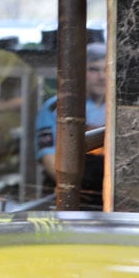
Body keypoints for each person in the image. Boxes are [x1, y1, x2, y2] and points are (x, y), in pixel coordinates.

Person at [35, 42, 108, 199]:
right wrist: (71, 188)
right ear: (80, 72)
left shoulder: (117, 109)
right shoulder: (58, 107)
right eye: (94, 69)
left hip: (106, 192)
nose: (102, 77)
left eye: (106, 70)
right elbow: (48, 155)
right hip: (67, 190)